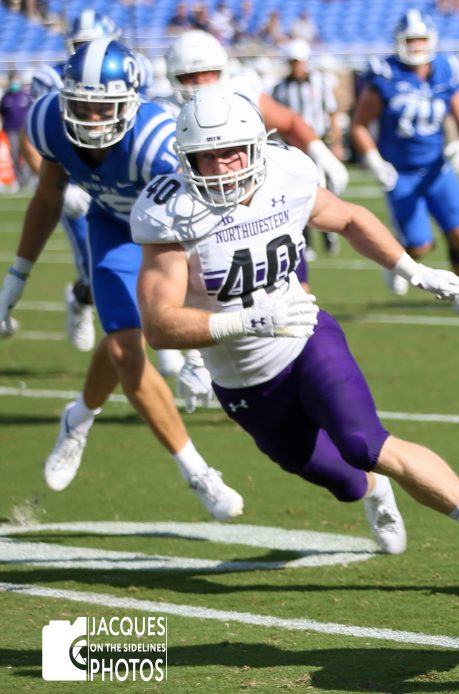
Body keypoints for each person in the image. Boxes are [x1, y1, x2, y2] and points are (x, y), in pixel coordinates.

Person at [132, 84, 459, 572]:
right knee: (344, 479)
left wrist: (413, 270)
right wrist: (252, 320)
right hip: (244, 381)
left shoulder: (285, 172)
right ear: (186, 159)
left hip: (305, 338)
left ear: (256, 147)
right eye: (207, 156)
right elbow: (159, 325)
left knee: (365, 444)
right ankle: (374, 492)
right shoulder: (172, 214)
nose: (222, 167)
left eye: (232, 152)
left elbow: (347, 218)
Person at [0, 39, 244, 520]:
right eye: (82, 106)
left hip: (172, 235)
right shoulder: (49, 121)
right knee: (124, 348)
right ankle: (196, 470)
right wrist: (15, 283)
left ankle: (78, 417)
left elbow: (199, 235)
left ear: (130, 103)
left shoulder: (159, 143)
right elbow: (48, 198)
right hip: (112, 228)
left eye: (102, 107)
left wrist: (196, 352)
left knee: (130, 342)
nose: (91, 118)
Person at [21, 10, 184, 375]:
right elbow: (43, 152)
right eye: (80, 47)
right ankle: (83, 298)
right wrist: (68, 185)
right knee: (96, 274)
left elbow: (142, 118)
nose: (86, 54)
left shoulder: (143, 107)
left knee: (160, 267)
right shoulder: (51, 86)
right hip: (94, 194)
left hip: (140, 184)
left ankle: (163, 336)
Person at [160, 29, 351, 285]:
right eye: (190, 76)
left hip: (262, 205)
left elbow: (289, 121)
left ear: (223, 71)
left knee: (296, 293)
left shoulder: (242, 89)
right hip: (206, 220)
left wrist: (321, 151)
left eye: (209, 74)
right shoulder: (163, 112)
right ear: (174, 77)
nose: (201, 83)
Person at [351, 9, 459, 317]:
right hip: (400, 173)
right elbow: (359, 125)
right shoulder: (385, 75)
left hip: (437, 169)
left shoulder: (446, 70)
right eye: (411, 40)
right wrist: (374, 160)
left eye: (421, 40)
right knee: (420, 245)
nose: (416, 47)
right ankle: (396, 260)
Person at [272, 38, 343, 256]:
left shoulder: (320, 83)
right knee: (297, 191)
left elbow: (331, 113)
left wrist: (337, 143)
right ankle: (306, 239)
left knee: (324, 187)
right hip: (292, 146)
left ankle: (328, 233)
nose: (296, 66)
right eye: (293, 62)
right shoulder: (280, 88)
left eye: (299, 62)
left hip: (318, 142)